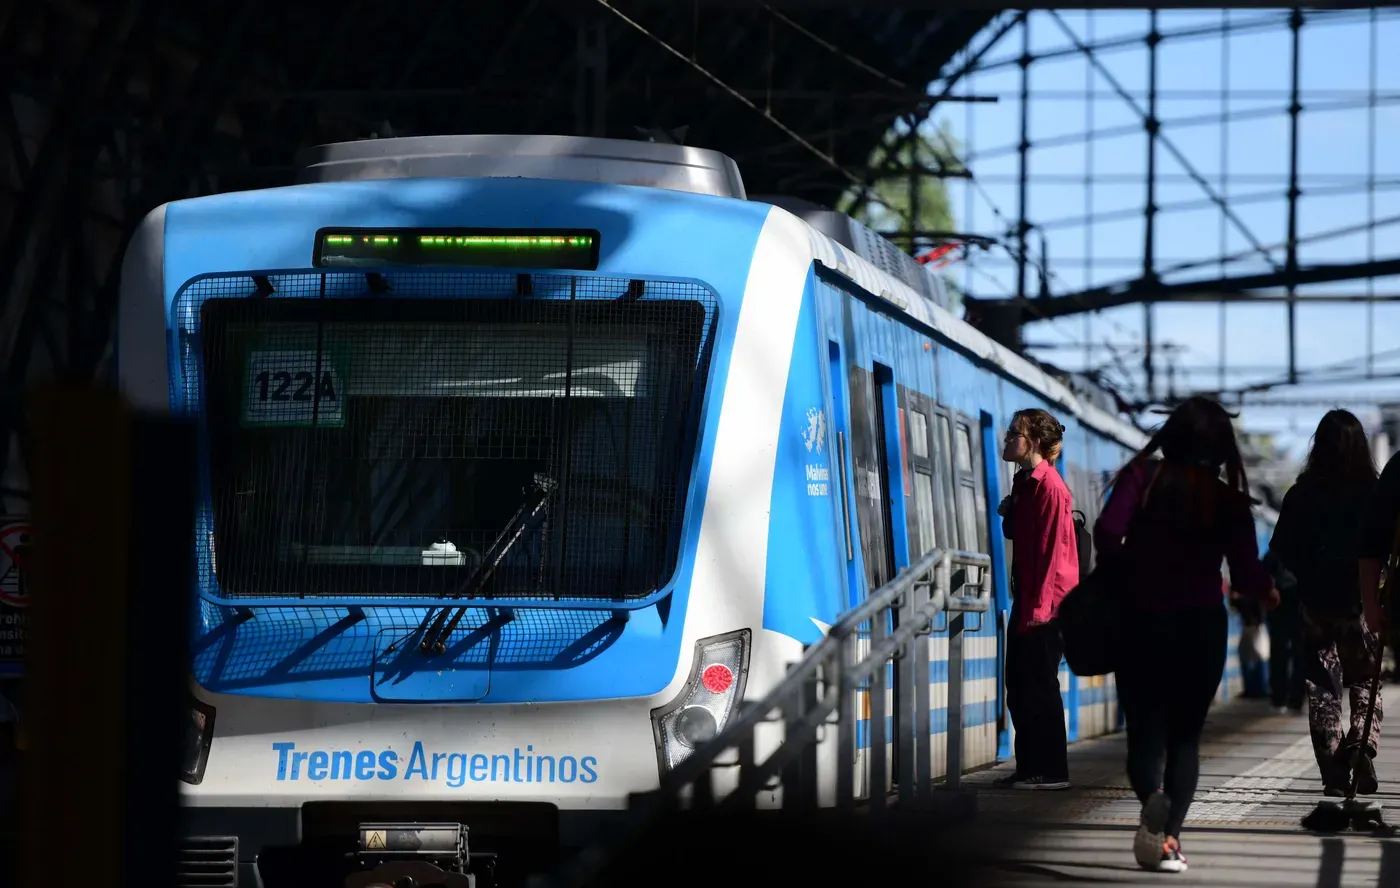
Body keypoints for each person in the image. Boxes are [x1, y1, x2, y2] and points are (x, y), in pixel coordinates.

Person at [1093, 396, 1278, 874]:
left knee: (1143, 732)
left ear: (1171, 435)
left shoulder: (1142, 477)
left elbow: (1107, 532)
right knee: (1185, 739)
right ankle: (1169, 838)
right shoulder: (1228, 501)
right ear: (1221, 448)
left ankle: (1152, 797)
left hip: (1141, 620)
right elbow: (1246, 573)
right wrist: (1269, 592)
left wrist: (1126, 571)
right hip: (1200, 627)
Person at [1269, 409, 1381, 794]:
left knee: (1323, 689)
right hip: (1362, 605)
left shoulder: (1301, 493)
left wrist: (1310, 572)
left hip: (1316, 607)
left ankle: (1334, 775)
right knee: (1366, 679)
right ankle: (1361, 745)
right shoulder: (1375, 494)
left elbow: (1282, 550)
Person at [993, 408, 1079, 791]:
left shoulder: (1051, 488)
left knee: (1041, 686)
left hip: (1047, 605)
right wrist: (1008, 513)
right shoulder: (1024, 483)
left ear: (1035, 442)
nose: (1007, 438)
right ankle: (1029, 767)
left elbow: (1052, 554)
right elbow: (1017, 534)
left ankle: (1053, 770)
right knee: (1019, 685)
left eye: (1015, 433)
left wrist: (1040, 612)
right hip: (1027, 598)